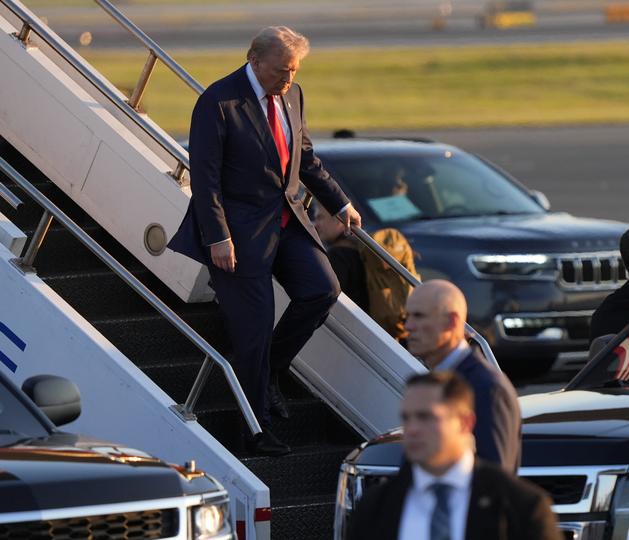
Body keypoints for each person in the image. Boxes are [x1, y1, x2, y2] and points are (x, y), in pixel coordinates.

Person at [167, 26, 361, 456]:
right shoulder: (218, 102)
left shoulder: (293, 95)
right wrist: (217, 236)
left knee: (323, 288)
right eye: (281, 71)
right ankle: (255, 430)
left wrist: (340, 202)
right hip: (237, 235)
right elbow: (206, 179)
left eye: (293, 71)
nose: (287, 80)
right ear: (254, 59)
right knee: (252, 330)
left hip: (286, 221)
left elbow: (304, 158)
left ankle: (271, 368)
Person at [348, 372, 561, 540]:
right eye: (407, 417)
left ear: (465, 422)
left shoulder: (521, 506)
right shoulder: (375, 507)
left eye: (425, 417)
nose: (411, 429)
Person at [405, 280, 521, 472]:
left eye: (419, 316)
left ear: (452, 321)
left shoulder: (487, 388)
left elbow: (495, 482)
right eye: (407, 316)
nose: (408, 326)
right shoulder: (433, 382)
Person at [313, 203, 370, 312]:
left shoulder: (338, 255)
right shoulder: (360, 249)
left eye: (320, 218)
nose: (315, 225)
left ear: (340, 220)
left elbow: (325, 298)